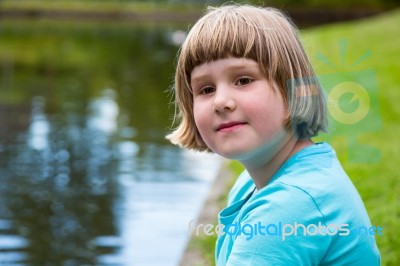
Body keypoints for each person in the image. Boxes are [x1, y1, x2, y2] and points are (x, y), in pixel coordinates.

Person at [167, 4, 380, 266]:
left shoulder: (288, 205)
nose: (220, 101)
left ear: (294, 89)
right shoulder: (251, 182)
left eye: (243, 80)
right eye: (206, 89)